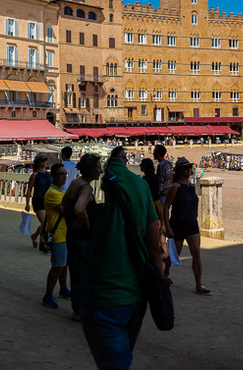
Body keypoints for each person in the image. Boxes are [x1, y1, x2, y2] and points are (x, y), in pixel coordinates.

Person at [83, 147, 164, 368]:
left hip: (105, 295)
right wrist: (159, 286)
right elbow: (155, 247)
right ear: (126, 161)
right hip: (137, 296)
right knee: (123, 358)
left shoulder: (97, 206)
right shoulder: (141, 186)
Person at [160, 157, 211, 295]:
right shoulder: (175, 187)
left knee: (196, 253)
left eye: (189, 168)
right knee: (176, 254)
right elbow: (166, 207)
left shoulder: (191, 186)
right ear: (180, 171)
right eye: (185, 168)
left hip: (191, 224)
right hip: (177, 224)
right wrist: (167, 226)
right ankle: (166, 272)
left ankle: (199, 285)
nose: (188, 170)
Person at [41, 162, 71, 309]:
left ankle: (63, 288)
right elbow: (66, 211)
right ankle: (48, 294)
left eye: (65, 174)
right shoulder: (53, 193)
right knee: (57, 266)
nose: (65, 177)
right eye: (61, 174)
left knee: (63, 264)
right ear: (53, 176)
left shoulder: (60, 191)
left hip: (64, 233)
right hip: (59, 234)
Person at [27, 155, 51, 249]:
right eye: (42, 161)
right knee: (45, 222)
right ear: (38, 163)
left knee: (47, 223)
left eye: (45, 160)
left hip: (48, 200)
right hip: (38, 200)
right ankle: (44, 243)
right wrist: (27, 203)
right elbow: (29, 189)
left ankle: (35, 235)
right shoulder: (35, 175)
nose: (44, 162)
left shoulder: (48, 174)